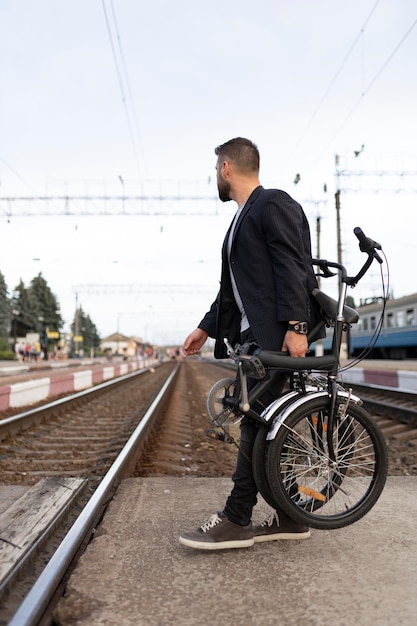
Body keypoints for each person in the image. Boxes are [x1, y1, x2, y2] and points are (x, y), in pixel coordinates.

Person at [179, 137, 322, 550]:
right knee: (269, 425)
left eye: (216, 171)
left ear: (226, 167)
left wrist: (296, 325)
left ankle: (237, 518)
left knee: (257, 423)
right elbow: (233, 289)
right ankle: (292, 515)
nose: (216, 178)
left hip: (274, 335)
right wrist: (206, 327)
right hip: (251, 337)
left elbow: (292, 266)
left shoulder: (272, 203)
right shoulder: (243, 218)